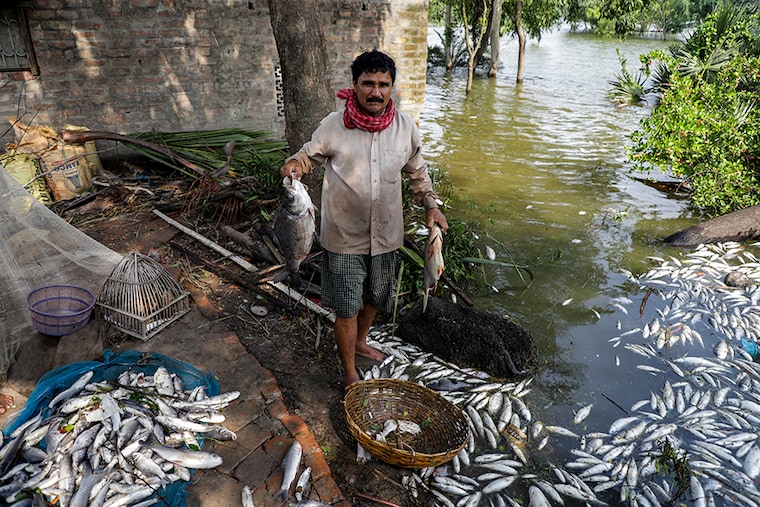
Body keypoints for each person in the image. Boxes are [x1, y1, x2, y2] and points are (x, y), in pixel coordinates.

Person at [279, 49, 448, 388]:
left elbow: (417, 172)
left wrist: (430, 204)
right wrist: (294, 165)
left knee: (376, 296)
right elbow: (307, 154)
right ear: (354, 85)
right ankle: (349, 371)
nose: (375, 92)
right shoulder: (333, 125)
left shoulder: (405, 128)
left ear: (392, 87)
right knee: (345, 308)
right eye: (368, 83)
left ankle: (360, 342)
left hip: (387, 235)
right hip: (343, 237)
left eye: (383, 84)